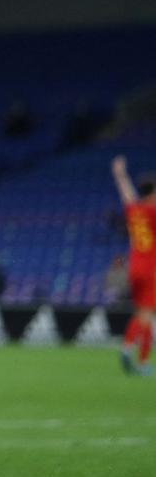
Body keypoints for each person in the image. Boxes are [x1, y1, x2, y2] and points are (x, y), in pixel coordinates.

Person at [111, 155, 156, 376]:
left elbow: (127, 194)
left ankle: (136, 355)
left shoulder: (135, 210)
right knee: (146, 315)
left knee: (143, 312)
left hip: (134, 265)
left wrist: (120, 174)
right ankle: (133, 352)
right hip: (150, 268)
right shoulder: (153, 212)